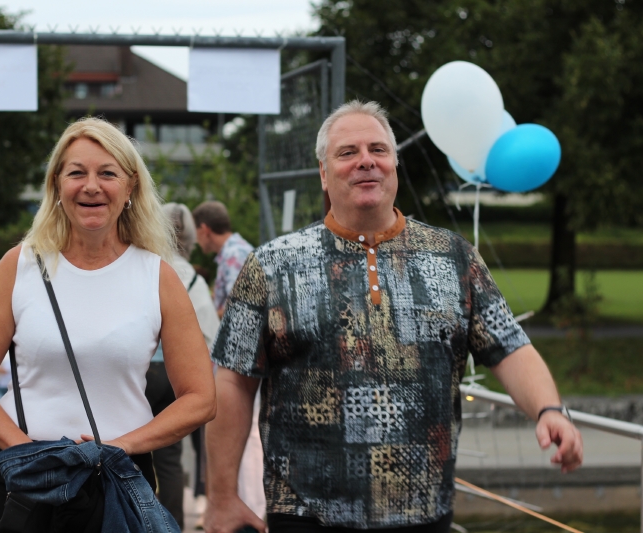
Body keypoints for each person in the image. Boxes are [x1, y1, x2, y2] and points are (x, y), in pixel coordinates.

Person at [204, 101, 583, 533]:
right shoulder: (271, 265)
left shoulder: (454, 257)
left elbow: (510, 347)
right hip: (306, 515)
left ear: (394, 165)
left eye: (378, 149)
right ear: (324, 173)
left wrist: (550, 410)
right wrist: (221, 496)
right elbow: (233, 381)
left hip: (425, 513)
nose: (366, 160)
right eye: (348, 152)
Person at [0, 117, 217, 532]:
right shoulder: (19, 266)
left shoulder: (157, 277)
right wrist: (24, 451)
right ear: (57, 185)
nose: (91, 186)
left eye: (107, 173)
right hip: (22, 486)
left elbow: (201, 397)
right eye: (77, 173)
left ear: (130, 187)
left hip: (116, 485)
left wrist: (122, 446)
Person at [145, 202, 220, 528]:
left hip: (142, 371)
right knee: (169, 456)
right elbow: (211, 335)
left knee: (133, 450)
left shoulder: (147, 268)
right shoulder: (194, 280)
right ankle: (172, 523)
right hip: (175, 376)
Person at [192, 201, 266, 521]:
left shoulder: (235, 256)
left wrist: (210, 311)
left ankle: (251, 507)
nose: (197, 240)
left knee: (245, 434)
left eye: (197, 233)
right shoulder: (234, 253)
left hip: (241, 362)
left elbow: (243, 309)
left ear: (204, 229)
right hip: (241, 360)